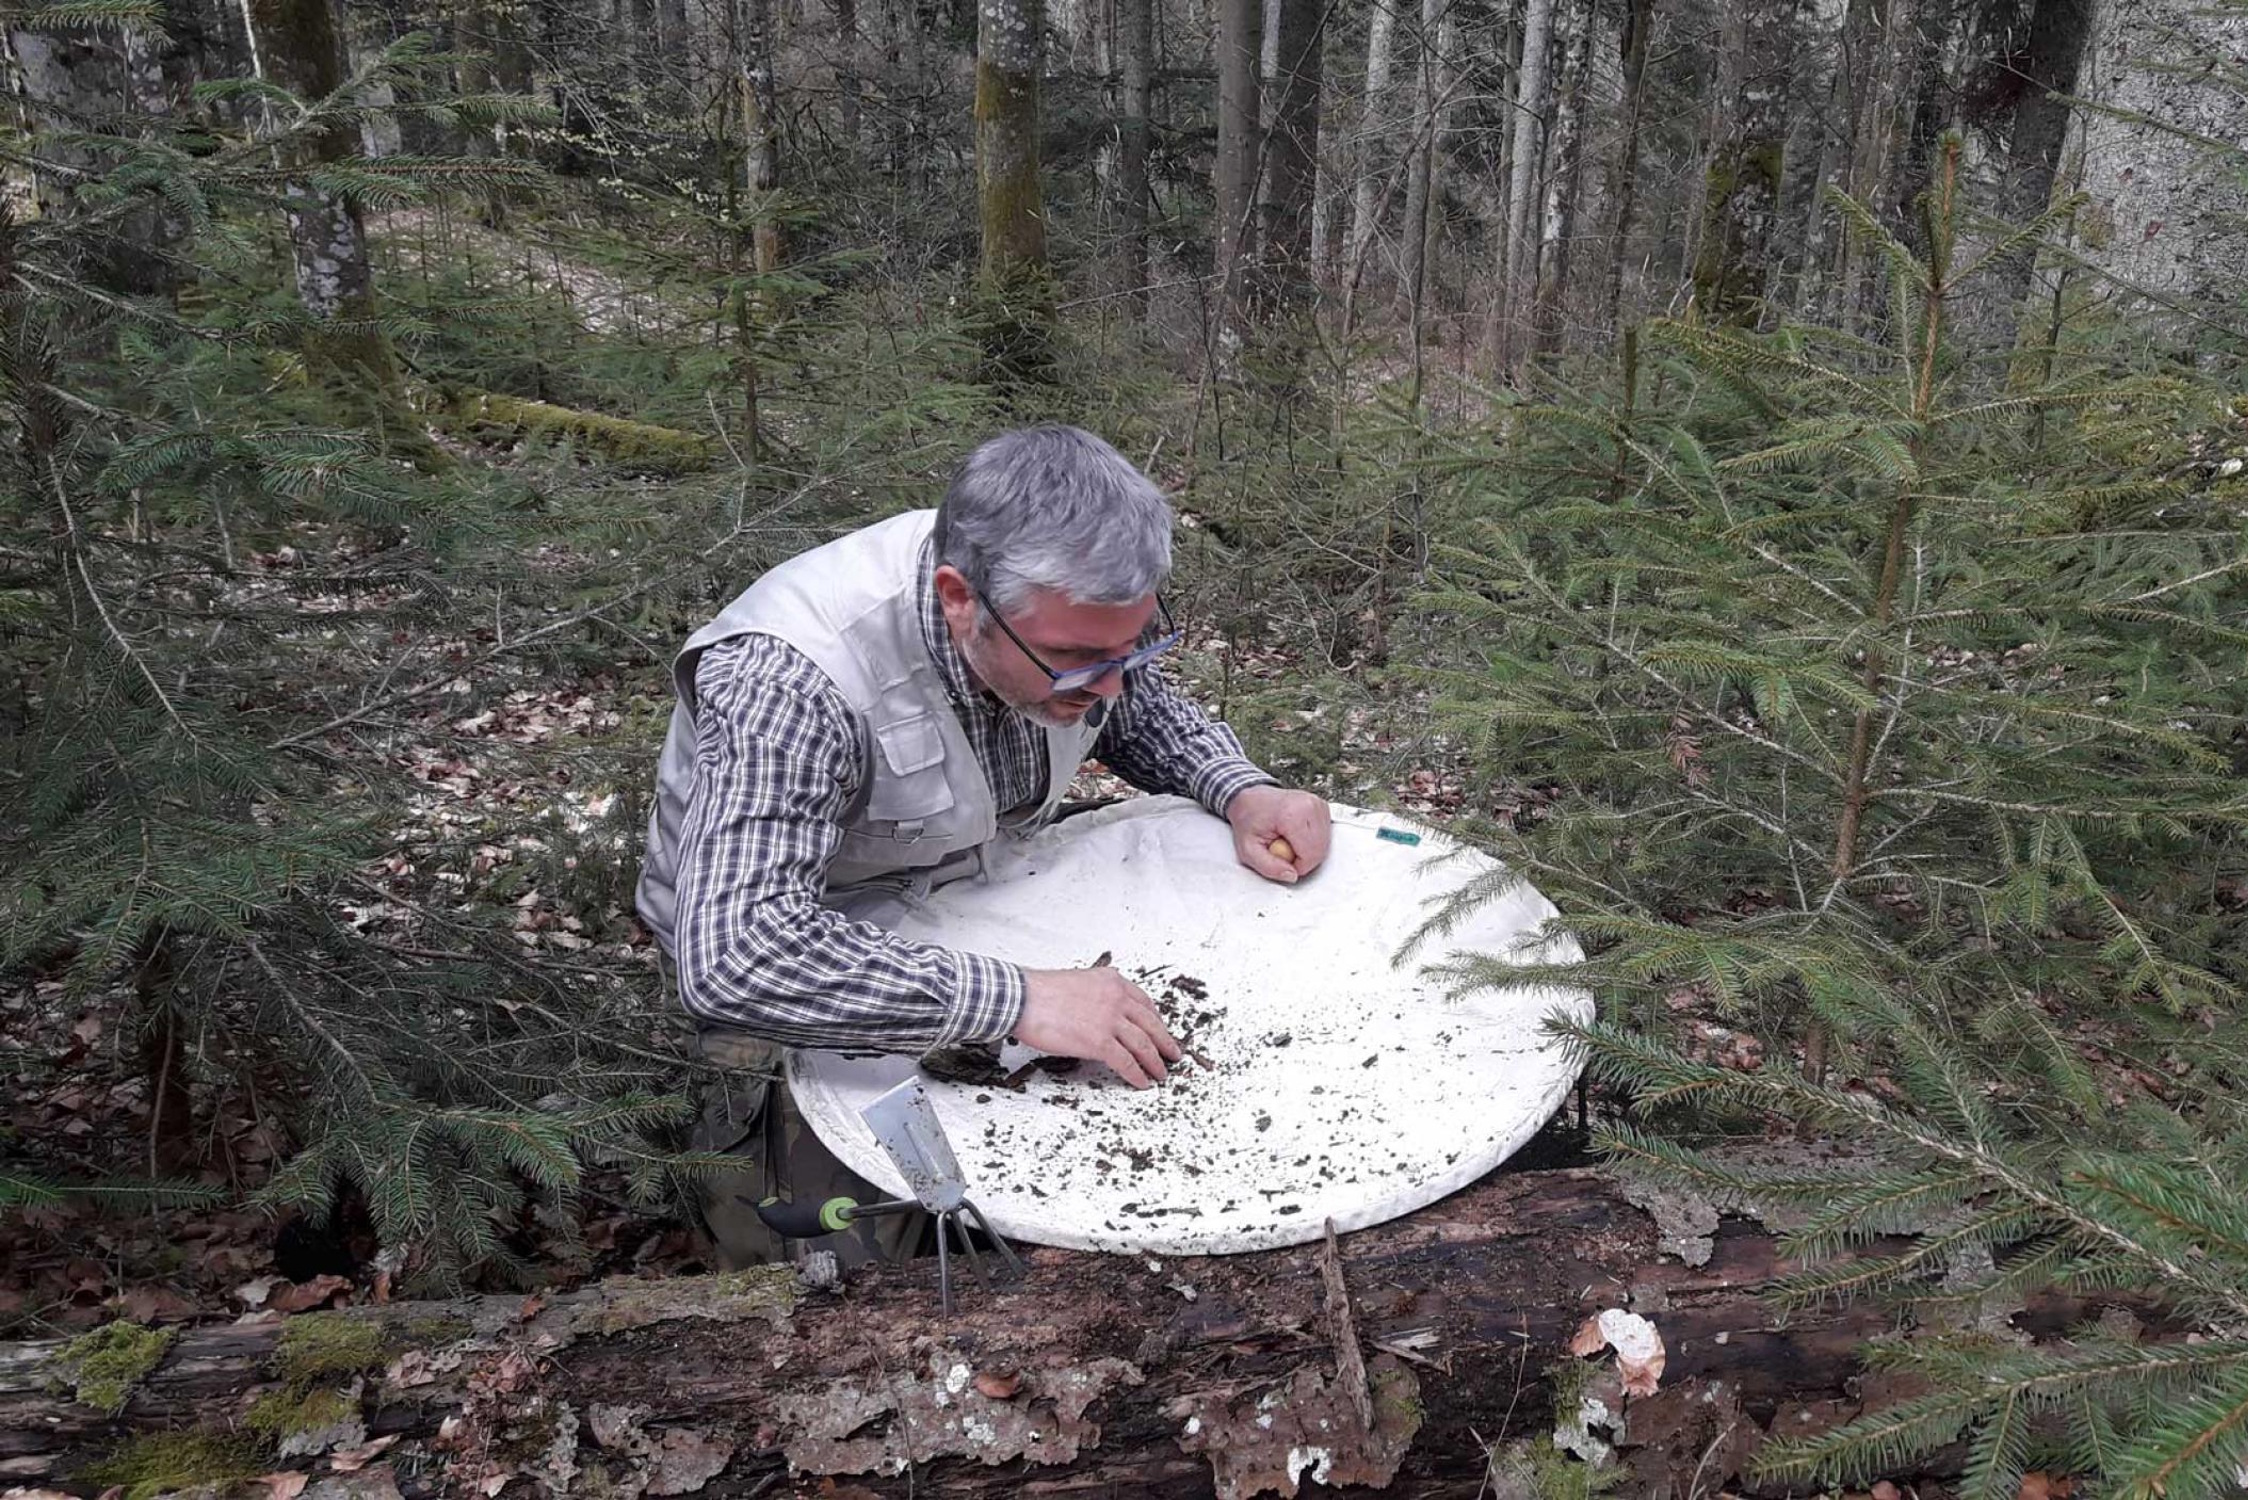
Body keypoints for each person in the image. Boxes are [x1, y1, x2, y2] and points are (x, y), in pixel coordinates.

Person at [636, 425, 1332, 1267]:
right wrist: (1020, 1003)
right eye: (1077, 660)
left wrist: (1239, 787)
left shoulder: (1051, 609)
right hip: (801, 981)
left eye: (1133, 646)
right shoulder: (791, 677)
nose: (1109, 683)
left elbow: (1134, 705)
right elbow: (737, 959)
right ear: (959, 597)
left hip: (963, 908)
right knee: (838, 1260)